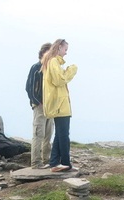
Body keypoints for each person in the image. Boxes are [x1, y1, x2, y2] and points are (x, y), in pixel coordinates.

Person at [41, 39, 78, 172]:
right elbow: (59, 80)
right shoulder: (53, 62)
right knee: (63, 135)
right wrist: (72, 70)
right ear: (58, 48)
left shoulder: (50, 62)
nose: (66, 53)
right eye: (65, 50)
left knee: (59, 134)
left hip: (58, 104)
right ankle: (65, 163)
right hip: (59, 104)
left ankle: (55, 163)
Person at [25, 42, 54, 169]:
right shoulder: (36, 68)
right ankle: (36, 163)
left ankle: (46, 160)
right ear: (43, 53)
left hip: (50, 106)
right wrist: (37, 102)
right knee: (38, 134)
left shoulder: (51, 68)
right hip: (40, 106)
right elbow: (29, 87)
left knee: (48, 134)